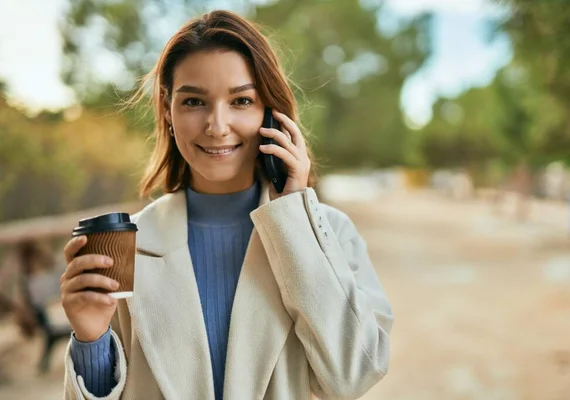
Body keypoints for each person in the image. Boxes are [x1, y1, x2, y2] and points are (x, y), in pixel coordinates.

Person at [61, 9, 393, 400]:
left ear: (272, 113)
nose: (217, 126)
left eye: (241, 100)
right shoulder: (126, 245)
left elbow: (353, 377)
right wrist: (91, 340)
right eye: (194, 102)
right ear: (169, 110)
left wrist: (294, 221)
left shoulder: (331, 233)